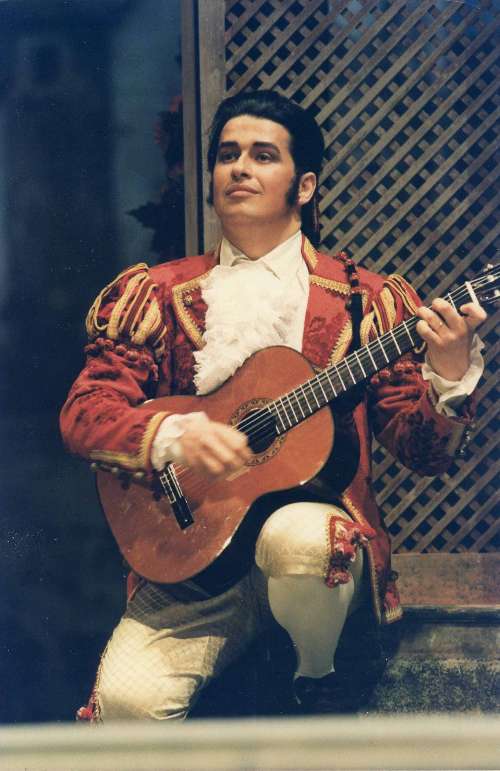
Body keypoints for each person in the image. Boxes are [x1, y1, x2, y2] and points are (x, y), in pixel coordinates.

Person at [60, 90, 485, 721]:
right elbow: (87, 412)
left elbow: (422, 453)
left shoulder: (364, 302)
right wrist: (173, 435)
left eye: (263, 156)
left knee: (299, 540)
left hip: (318, 560)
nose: (239, 168)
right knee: (127, 703)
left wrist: (447, 375)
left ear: (304, 185)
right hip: (193, 567)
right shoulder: (159, 295)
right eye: (227, 155)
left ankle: (316, 683)